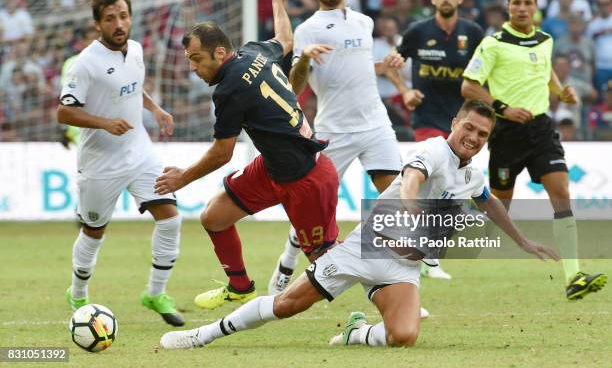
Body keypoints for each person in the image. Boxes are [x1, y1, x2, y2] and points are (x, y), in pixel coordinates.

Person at [159, 100, 560, 350]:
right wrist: (411, 206)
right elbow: (414, 174)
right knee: (286, 306)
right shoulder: (434, 149)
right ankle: (203, 335)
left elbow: (488, 201)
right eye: (468, 127)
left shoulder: (471, 173)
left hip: (402, 266)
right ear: (454, 123)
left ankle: (356, 334)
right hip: (364, 249)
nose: (472, 137)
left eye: (481, 134)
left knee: (404, 337)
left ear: (487, 139)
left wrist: (523, 240)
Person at [154, 0, 340, 311]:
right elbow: (285, 39)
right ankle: (239, 286)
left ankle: (386, 292)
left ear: (220, 52)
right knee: (214, 217)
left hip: (306, 179)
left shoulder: (229, 89)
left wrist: (183, 177)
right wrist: (277, 0)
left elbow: (223, 152)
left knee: (326, 262)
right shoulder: (254, 52)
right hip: (274, 169)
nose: (193, 68)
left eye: (197, 59)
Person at [267, 0, 406, 296]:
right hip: (334, 130)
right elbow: (295, 86)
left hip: (375, 125)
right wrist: (304, 58)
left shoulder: (364, 23)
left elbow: (356, 67)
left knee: (398, 200)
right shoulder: (307, 29)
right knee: (311, 207)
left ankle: (396, 276)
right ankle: (287, 261)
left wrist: (387, 65)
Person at [462, 0, 607, 300]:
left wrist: (560, 91)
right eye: (517, 3)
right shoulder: (493, 44)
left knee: (561, 191)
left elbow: (547, 72)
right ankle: (446, 255)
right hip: (506, 134)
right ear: (508, 6)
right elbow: (469, 86)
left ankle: (573, 276)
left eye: (528, 3)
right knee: (499, 209)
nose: (523, 8)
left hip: (541, 130)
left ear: (536, 7)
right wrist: (503, 109)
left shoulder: (545, 40)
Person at [57, 0, 184, 326]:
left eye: (123, 16)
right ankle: (78, 293)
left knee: (171, 218)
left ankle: (155, 293)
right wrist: (104, 122)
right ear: (97, 24)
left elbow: (132, 85)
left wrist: (156, 109)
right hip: (100, 163)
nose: (119, 23)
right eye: (110, 18)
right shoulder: (85, 63)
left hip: (139, 152)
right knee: (94, 232)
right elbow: (64, 113)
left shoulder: (137, 50)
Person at [397, 0, 484, 279]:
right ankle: (426, 256)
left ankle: (427, 253)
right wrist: (404, 89)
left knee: (453, 192)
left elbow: (486, 72)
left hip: (463, 125)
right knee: (437, 186)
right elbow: (390, 63)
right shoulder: (418, 32)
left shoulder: (473, 33)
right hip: (427, 119)